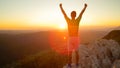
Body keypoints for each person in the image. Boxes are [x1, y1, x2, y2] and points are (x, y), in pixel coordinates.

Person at [59, 3, 87, 67]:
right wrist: (85, 7)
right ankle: (77, 64)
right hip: (76, 38)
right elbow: (81, 13)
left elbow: (64, 14)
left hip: (70, 38)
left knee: (70, 53)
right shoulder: (77, 20)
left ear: (71, 15)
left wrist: (61, 7)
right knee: (77, 52)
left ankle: (69, 64)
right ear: (75, 15)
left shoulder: (68, 20)